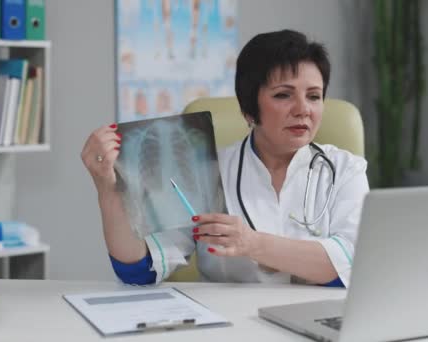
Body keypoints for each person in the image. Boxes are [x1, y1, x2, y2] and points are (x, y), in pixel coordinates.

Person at [81, 29, 369, 287]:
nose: (303, 109)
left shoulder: (345, 170)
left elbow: (353, 267)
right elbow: (139, 270)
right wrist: (108, 190)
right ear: (248, 110)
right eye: (284, 95)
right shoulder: (205, 171)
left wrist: (252, 244)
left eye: (314, 96)